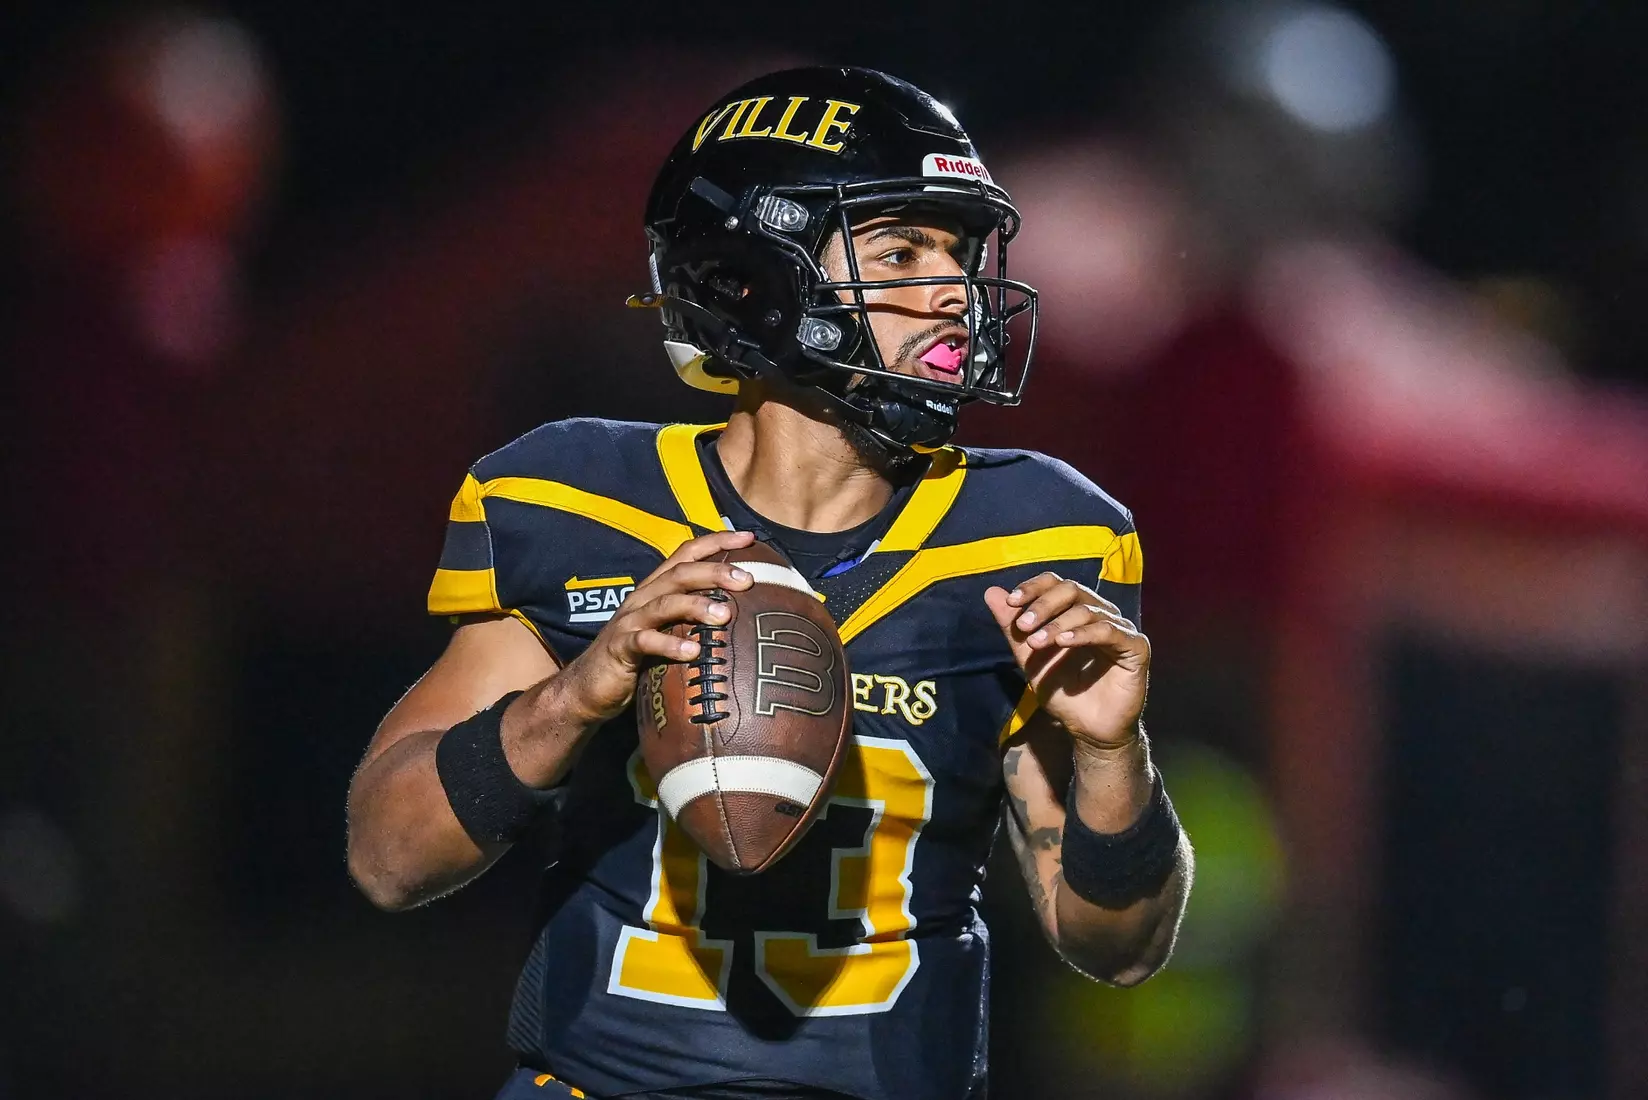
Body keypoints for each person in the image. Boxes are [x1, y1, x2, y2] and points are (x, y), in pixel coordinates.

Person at [346, 66, 1192, 1100]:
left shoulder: (1037, 533)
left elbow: (1117, 945)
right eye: (900, 251)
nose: (952, 294)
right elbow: (389, 858)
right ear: (755, 273)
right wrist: (574, 696)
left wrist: (1113, 755)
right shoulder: (575, 500)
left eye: (961, 254)